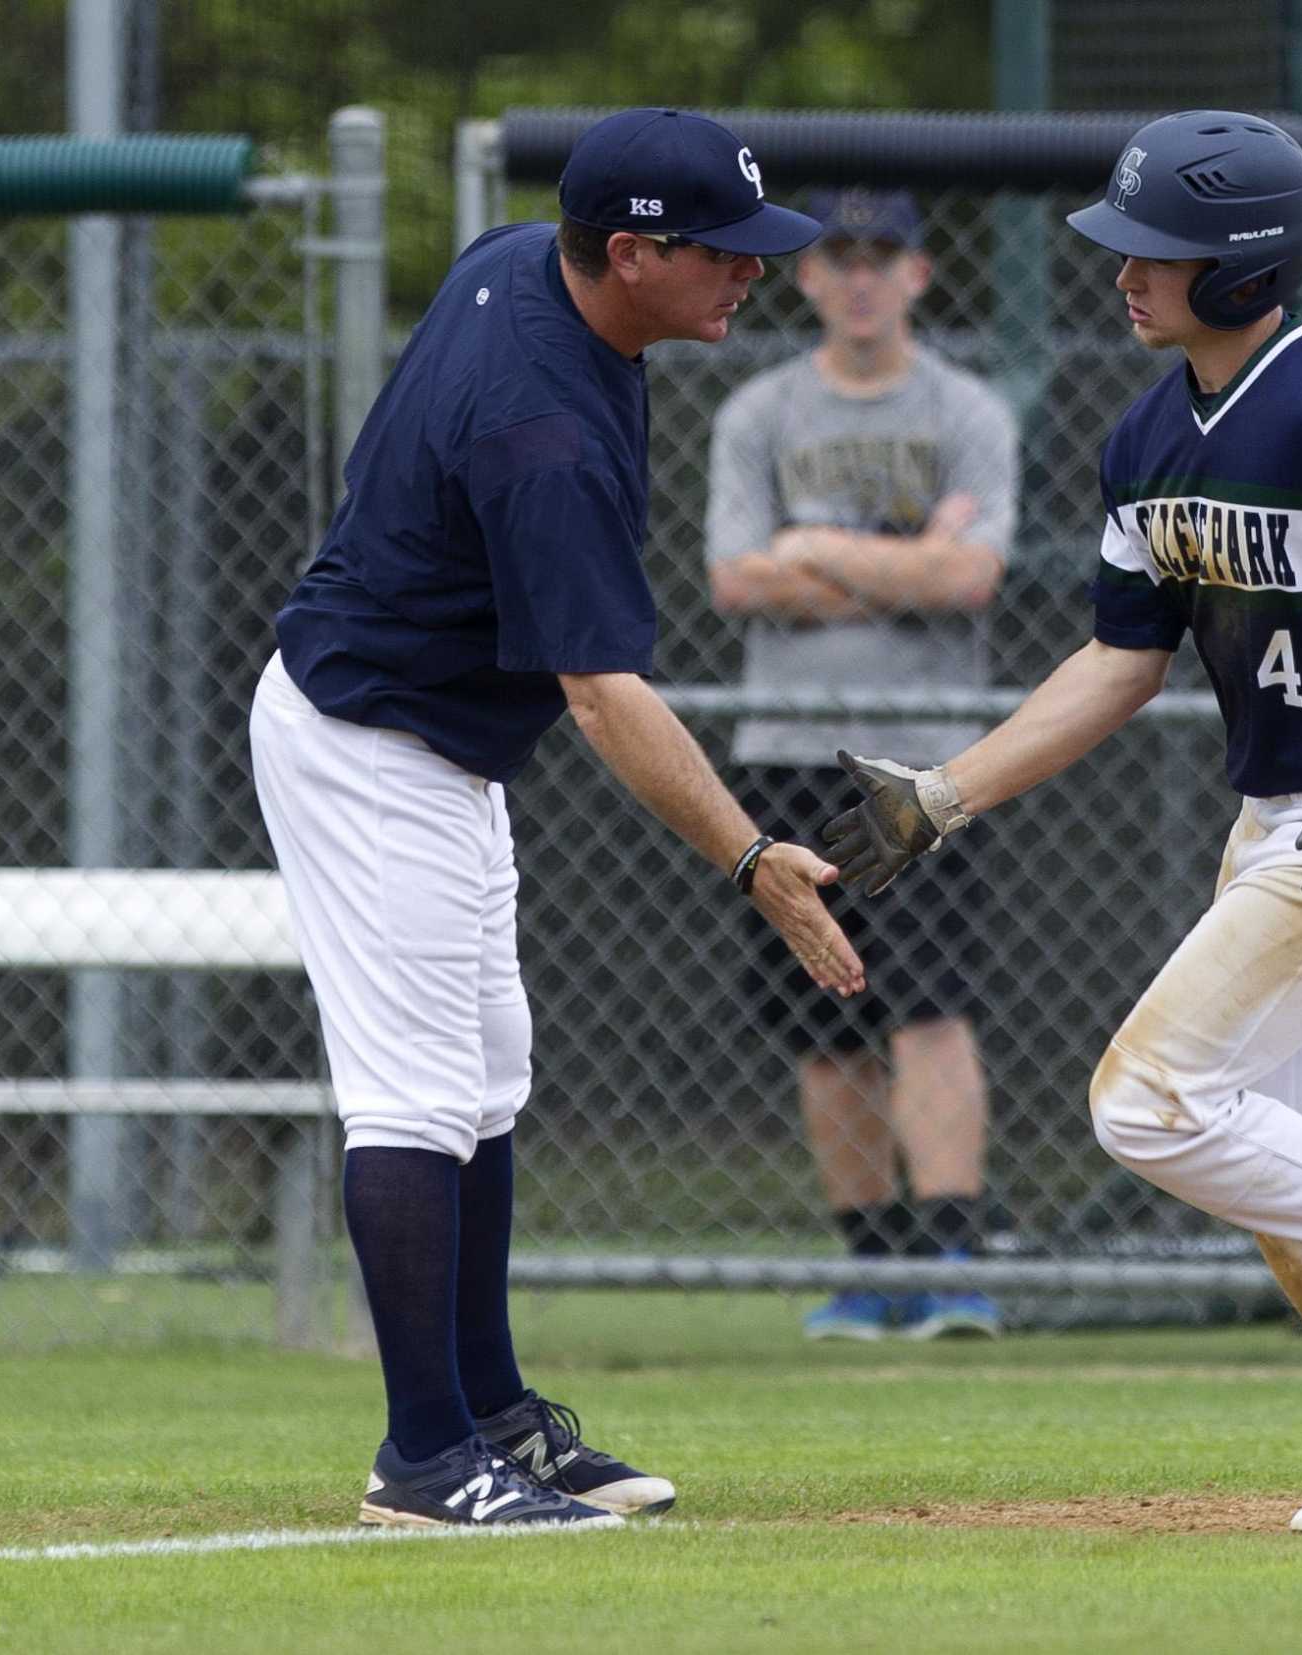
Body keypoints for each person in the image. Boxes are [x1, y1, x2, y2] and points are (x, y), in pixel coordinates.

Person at [822, 111, 1302, 1534]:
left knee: (1145, 1102)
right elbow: (1122, 660)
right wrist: (946, 790)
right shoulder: (1147, 436)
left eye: (1153, 250)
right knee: (1294, 1175)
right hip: (1276, 822)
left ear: (1242, 267)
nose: (1122, 273)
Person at [250, 108, 862, 1531]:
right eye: (722, 251)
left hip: (433, 737)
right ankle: (425, 1455)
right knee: (413, 1094)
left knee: (487, 1076)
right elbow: (603, 697)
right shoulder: (542, 433)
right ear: (630, 252)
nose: (752, 273)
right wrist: (753, 858)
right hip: (371, 738)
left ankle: (490, 1412)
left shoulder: (523, 253)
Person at [705, 188, 1018, 1341]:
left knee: (928, 1006)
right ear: (805, 276)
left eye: (881, 256)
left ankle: (951, 1260)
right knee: (823, 1016)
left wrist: (813, 549)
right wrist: (904, 562)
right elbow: (736, 578)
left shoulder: (968, 408)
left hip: (922, 761)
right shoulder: (758, 411)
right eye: (837, 258)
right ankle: (872, 1266)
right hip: (785, 749)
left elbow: (969, 578)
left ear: (917, 274)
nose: (859, 278)